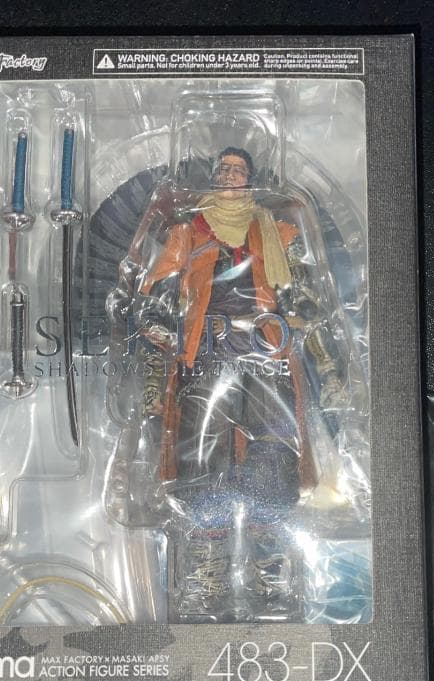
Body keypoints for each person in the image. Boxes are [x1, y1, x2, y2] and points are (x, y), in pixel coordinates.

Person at [134, 147, 339, 621]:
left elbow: (307, 300)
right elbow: (153, 300)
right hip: (207, 352)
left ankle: (272, 575)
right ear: (213, 177)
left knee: (274, 453)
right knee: (200, 457)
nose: (230, 176)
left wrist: (326, 364)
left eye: (238, 170)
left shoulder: (278, 232)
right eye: (223, 169)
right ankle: (204, 575)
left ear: (250, 179)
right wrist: (165, 348)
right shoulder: (186, 232)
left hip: (265, 353)